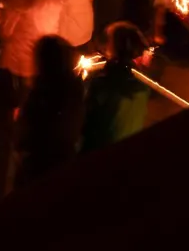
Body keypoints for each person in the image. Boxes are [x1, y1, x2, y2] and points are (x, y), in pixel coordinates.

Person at [15, 35, 84, 183]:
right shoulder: (75, 89)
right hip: (66, 159)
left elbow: (25, 133)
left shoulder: (40, 95)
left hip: (39, 165)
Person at [81, 22, 151, 152]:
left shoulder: (103, 84)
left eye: (107, 40)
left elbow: (87, 123)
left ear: (113, 47)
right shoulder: (142, 83)